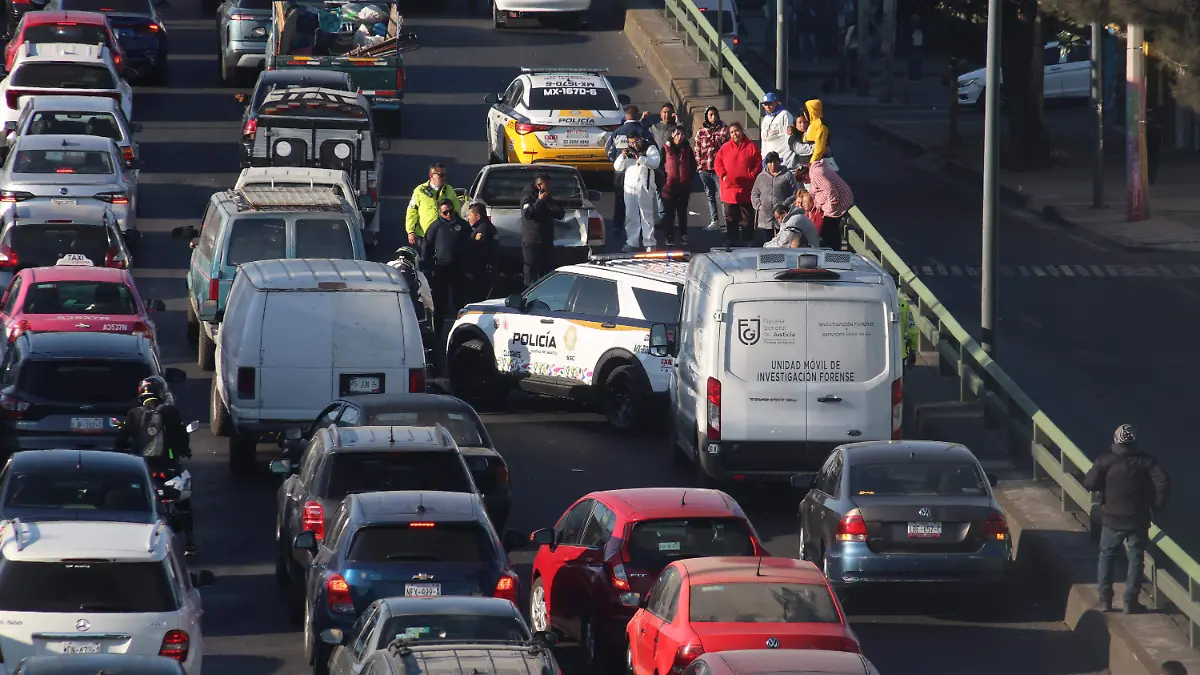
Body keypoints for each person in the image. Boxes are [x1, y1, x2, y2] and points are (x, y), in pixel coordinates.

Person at [1082, 424, 1171, 614]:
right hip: (1138, 518)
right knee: (1136, 556)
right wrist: (1156, 505)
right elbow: (1162, 482)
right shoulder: (1147, 462)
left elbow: (1089, 483)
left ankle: (1105, 600)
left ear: (1116, 440)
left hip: (1111, 517)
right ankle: (1130, 601)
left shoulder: (1105, 461)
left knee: (1106, 555)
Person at [115, 377, 195, 554]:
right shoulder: (171, 412)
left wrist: (121, 450)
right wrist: (184, 450)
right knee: (184, 501)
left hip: (142, 468)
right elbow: (181, 436)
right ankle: (190, 543)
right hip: (168, 466)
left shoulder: (134, 413)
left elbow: (121, 440)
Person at [605, 106, 652, 237]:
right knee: (640, 201)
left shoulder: (617, 132)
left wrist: (616, 161)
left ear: (625, 116)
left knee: (620, 199)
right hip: (639, 169)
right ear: (637, 116)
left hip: (621, 171)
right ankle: (639, 228)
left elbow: (609, 150)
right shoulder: (644, 131)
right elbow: (653, 148)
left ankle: (618, 226)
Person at [421, 199, 470, 321]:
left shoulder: (463, 226)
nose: (449, 214)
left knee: (460, 301)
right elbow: (426, 247)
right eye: (445, 212)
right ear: (440, 213)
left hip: (459, 269)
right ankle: (437, 329)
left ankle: (462, 325)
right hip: (441, 270)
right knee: (439, 302)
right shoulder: (435, 226)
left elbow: (472, 246)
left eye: (451, 211)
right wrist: (426, 267)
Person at [713, 122, 761, 246]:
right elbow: (717, 163)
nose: (735, 134)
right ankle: (732, 239)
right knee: (730, 217)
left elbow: (758, 163)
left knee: (747, 217)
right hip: (729, 189)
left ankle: (748, 240)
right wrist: (723, 175)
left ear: (742, 131)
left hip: (746, 187)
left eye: (737, 131)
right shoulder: (725, 148)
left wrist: (751, 175)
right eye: (732, 132)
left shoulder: (751, 146)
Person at [615, 133, 661, 252]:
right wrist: (622, 156)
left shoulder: (650, 148)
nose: (634, 145)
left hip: (644, 186)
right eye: (631, 143)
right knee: (631, 215)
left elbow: (655, 163)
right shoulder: (627, 151)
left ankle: (649, 243)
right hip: (629, 187)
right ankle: (632, 242)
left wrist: (639, 156)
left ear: (641, 139)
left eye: (637, 142)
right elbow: (617, 167)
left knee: (646, 215)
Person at [520, 173, 564, 285]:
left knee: (546, 271)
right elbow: (529, 214)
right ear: (539, 185)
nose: (550, 188)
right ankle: (529, 292)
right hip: (532, 241)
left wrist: (555, 208)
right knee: (531, 272)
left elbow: (560, 214)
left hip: (546, 240)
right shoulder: (528, 196)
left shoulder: (547, 196)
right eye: (547, 185)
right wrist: (539, 201)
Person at [405, 163, 461, 248]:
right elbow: (412, 211)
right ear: (431, 176)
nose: (444, 178)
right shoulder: (419, 191)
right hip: (425, 236)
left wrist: (457, 228)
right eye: (441, 175)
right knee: (425, 256)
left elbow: (456, 210)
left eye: (445, 175)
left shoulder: (449, 190)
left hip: (445, 234)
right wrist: (410, 231)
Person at [694, 106, 730, 233]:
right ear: (706, 117)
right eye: (710, 115)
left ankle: (728, 221)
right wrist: (699, 167)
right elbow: (697, 150)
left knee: (723, 196)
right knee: (710, 195)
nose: (713, 117)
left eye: (715, 114)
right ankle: (714, 221)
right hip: (705, 168)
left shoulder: (725, 130)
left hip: (719, 169)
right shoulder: (701, 132)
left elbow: (729, 148)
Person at [751, 151, 799, 244]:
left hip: (781, 216)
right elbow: (754, 194)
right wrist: (759, 206)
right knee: (766, 244)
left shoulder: (787, 175)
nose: (773, 165)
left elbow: (795, 193)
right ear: (766, 163)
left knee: (782, 243)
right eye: (770, 162)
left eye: (775, 162)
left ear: (779, 162)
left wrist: (784, 205)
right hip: (765, 217)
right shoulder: (761, 176)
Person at [660, 125, 696, 246]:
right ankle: (669, 235)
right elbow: (660, 165)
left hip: (684, 185)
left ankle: (683, 234)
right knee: (669, 212)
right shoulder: (665, 148)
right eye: (677, 134)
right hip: (669, 186)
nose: (680, 137)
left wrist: (690, 178)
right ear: (672, 135)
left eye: (682, 134)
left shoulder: (687, 148)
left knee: (682, 211)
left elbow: (693, 165)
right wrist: (664, 180)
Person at [387, 245, 435, 331]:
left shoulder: (385, 269)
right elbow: (427, 300)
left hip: (387, 310)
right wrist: (431, 310)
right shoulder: (418, 275)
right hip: (409, 312)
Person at [808, 159, 853, 250]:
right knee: (830, 231)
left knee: (828, 231)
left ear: (805, 175)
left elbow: (830, 190)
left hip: (838, 204)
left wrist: (830, 208)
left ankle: (833, 252)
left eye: (804, 180)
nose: (805, 183)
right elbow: (823, 190)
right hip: (838, 202)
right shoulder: (818, 171)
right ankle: (834, 250)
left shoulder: (816, 174)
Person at [464, 203, 500, 303]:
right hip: (487, 270)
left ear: (478, 216)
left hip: (481, 273)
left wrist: (470, 270)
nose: (468, 218)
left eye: (470, 215)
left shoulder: (481, 230)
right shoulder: (488, 227)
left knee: (477, 299)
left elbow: (479, 253)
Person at [759, 93, 797, 169]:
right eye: (765, 104)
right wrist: (763, 157)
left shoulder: (784, 115)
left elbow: (789, 138)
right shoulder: (765, 119)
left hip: (781, 158)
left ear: (776, 102)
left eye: (770, 103)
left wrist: (786, 157)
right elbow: (764, 140)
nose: (768, 106)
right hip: (768, 159)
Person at [803, 99, 831, 165]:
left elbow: (820, 148)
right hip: (810, 162)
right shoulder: (812, 124)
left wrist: (812, 163)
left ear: (810, 112)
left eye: (806, 112)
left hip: (818, 164)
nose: (804, 114)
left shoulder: (820, 125)